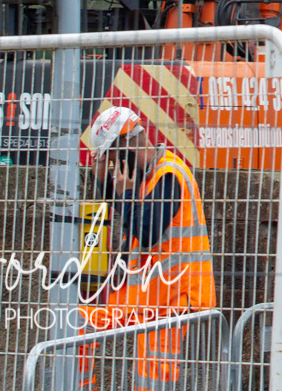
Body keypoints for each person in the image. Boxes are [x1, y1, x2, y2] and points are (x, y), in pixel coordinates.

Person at [78, 104, 215, 390]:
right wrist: (104, 182)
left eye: (114, 156)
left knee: (154, 377)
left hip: (176, 298)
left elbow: (147, 232)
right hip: (148, 296)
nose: (116, 163)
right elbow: (130, 218)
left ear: (126, 144)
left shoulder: (169, 175)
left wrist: (126, 193)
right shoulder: (148, 176)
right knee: (80, 322)